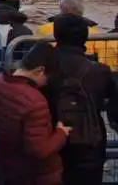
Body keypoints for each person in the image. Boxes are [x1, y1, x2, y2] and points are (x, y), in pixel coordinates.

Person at [0, 42, 70, 185]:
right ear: (40, 70)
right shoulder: (35, 101)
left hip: (8, 165)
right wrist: (61, 133)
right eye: (48, 78)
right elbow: (39, 150)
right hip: (36, 174)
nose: (47, 83)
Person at [50, 14, 118, 185]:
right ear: (85, 37)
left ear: (56, 35)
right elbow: (114, 106)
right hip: (89, 145)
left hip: (49, 143)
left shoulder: (42, 69)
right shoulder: (100, 72)